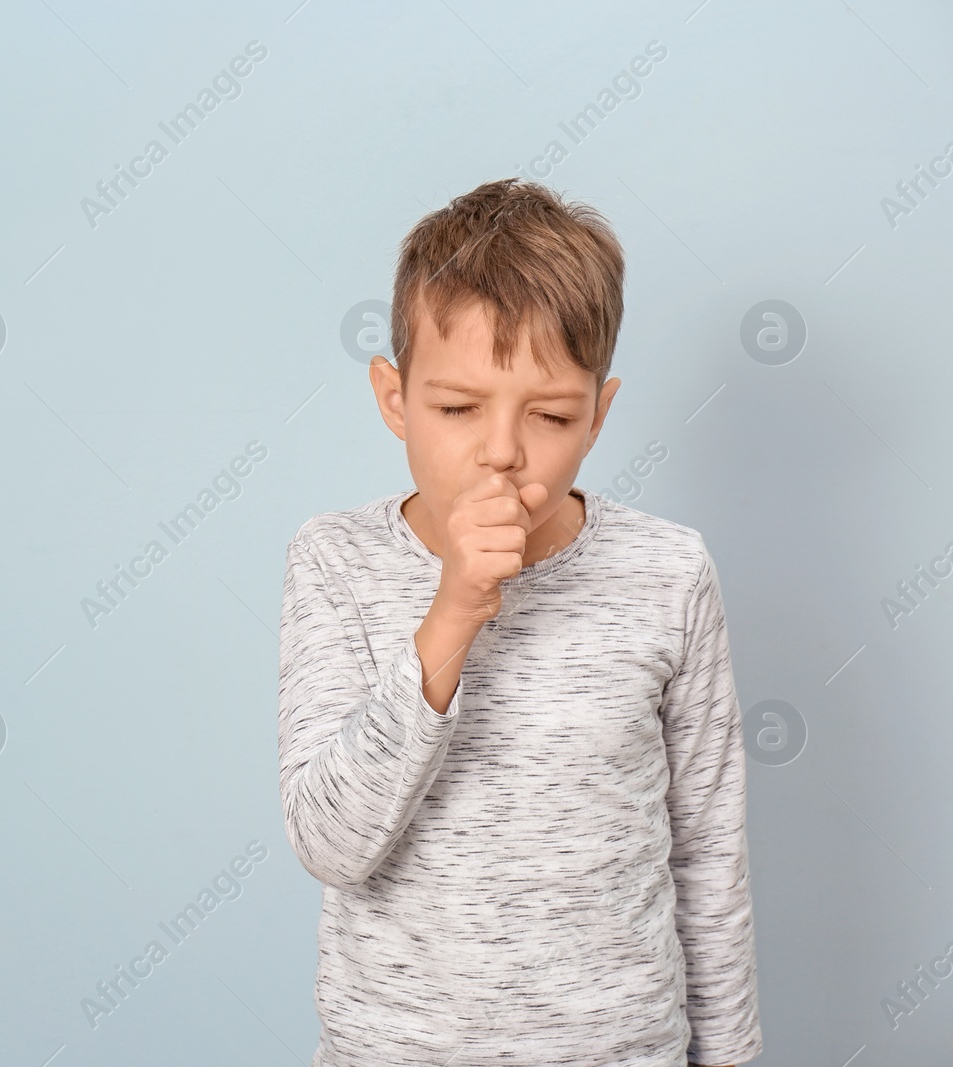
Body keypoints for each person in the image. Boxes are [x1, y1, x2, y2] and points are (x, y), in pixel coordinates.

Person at [276, 177, 762, 1066]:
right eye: (457, 408)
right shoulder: (334, 562)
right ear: (395, 398)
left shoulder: (668, 571)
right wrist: (453, 610)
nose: (501, 449)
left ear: (599, 416)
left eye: (549, 415)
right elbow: (331, 843)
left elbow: (706, 851)